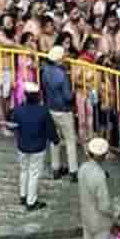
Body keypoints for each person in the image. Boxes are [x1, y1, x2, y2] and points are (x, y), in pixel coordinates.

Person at [11, 80, 61, 210]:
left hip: (22, 146)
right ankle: (31, 202)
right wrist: (56, 140)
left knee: (24, 170)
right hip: (38, 148)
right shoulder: (43, 111)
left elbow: (13, 125)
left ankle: (23, 195)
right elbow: (50, 129)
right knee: (34, 173)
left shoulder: (18, 110)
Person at [77, 138, 117, 239]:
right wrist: (116, 214)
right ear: (103, 156)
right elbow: (104, 206)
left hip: (86, 216)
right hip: (100, 222)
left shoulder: (83, 168)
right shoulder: (100, 176)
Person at [41, 47, 78, 181]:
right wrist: (74, 94)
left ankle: (55, 168)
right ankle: (73, 171)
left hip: (51, 108)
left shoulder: (45, 71)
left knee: (54, 140)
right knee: (70, 140)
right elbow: (68, 96)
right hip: (64, 110)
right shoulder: (62, 75)